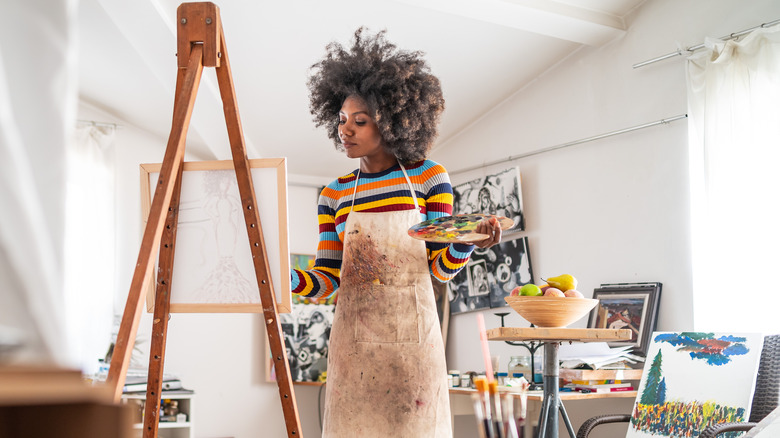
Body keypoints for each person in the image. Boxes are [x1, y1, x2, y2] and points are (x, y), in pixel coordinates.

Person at [290, 28, 502, 437]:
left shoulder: (429, 178)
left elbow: (438, 271)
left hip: (414, 351)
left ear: (394, 121)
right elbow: (327, 280)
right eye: (341, 120)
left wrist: (466, 243)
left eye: (360, 121)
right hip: (353, 353)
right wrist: (283, 278)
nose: (345, 130)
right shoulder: (333, 194)